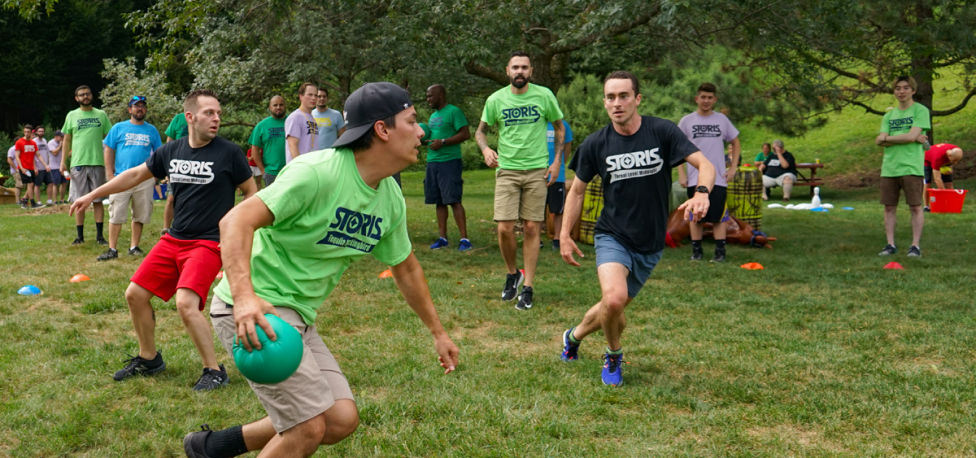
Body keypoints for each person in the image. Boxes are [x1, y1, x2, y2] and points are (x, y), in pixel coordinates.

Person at [182, 82, 459, 458]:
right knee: (305, 429)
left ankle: (212, 447)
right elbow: (235, 222)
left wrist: (438, 333)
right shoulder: (316, 173)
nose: (422, 131)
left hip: (300, 315)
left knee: (340, 419)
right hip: (256, 310)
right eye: (412, 121)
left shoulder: (389, 198)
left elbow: (406, 268)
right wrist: (245, 298)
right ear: (383, 129)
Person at [70, 89, 256, 390]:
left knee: (186, 303)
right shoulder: (173, 151)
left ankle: (214, 370)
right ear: (190, 117)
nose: (217, 118)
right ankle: (149, 358)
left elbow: (250, 192)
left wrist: (237, 234)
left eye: (218, 113)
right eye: (210, 113)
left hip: (208, 242)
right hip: (175, 239)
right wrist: (91, 194)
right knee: (135, 294)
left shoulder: (229, 152)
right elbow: (133, 176)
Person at [558, 71, 714, 386]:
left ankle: (572, 337)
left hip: (651, 243)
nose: (617, 103)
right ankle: (613, 357)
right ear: (604, 102)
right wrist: (563, 235)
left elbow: (706, 166)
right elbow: (576, 191)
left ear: (637, 98)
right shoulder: (596, 143)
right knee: (614, 300)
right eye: (611, 97)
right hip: (612, 234)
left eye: (624, 96)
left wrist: (702, 193)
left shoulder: (662, 132)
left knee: (610, 309)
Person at [476, 51, 565, 310]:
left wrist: (557, 160)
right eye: (515, 67)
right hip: (507, 171)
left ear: (531, 71)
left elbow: (559, 127)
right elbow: (480, 132)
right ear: (507, 70)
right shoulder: (496, 100)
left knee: (531, 229)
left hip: (538, 170)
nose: (520, 71)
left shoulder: (544, 95)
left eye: (524, 67)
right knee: (504, 228)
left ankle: (528, 288)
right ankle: (513, 273)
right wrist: (485, 150)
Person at [677, 82, 741, 263]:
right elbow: (677, 148)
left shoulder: (722, 120)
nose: (706, 101)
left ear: (715, 100)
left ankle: (720, 252)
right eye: (703, 97)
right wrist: (681, 173)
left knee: (718, 216)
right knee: (695, 216)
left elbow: (735, 142)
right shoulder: (687, 121)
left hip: (718, 178)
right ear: (697, 99)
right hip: (694, 178)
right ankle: (697, 251)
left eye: (710, 98)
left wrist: (733, 167)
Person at [97, 95, 164, 261]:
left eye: (142, 106)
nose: (140, 109)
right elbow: (108, 150)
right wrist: (110, 174)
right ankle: (112, 249)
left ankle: (134, 246)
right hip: (121, 178)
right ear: (129, 110)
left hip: (144, 179)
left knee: (140, 215)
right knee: (116, 214)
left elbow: (159, 153)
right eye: (136, 106)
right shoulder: (119, 128)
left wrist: (155, 175)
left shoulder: (152, 130)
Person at [874, 76, 930, 257]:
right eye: (898, 88)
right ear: (894, 91)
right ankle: (890, 244)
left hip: (911, 166)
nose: (901, 91)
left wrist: (887, 138)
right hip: (890, 167)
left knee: (915, 206)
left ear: (913, 91)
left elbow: (910, 137)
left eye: (906, 88)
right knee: (889, 207)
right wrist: (905, 137)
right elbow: (879, 141)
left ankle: (915, 246)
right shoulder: (888, 116)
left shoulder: (920, 111)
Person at [61, 85, 112, 244]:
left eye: (87, 94)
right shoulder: (71, 115)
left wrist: (112, 161)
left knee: (97, 200)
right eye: (81, 95)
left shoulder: (101, 115)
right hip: (78, 163)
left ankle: (100, 236)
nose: (85, 97)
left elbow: (110, 138)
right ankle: (80, 237)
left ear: (91, 95)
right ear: (77, 98)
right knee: (79, 200)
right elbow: (67, 140)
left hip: (98, 162)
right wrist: (63, 162)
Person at [424, 84, 472, 251]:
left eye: (430, 96)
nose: (428, 99)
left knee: (454, 200)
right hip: (433, 162)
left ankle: (464, 239)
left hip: (449, 162)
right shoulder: (432, 116)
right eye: (427, 96)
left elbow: (465, 133)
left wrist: (443, 142)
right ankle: (443, 238)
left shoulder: (454, 111)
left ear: (441, 95)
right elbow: (433, 135)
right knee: (439, 201)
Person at [546, 119, 573, 250]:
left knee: (558, 209)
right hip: (537, 173)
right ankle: (537, 239)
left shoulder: (563, 125)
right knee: (536, 210)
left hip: (557, 175)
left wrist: (560, 163)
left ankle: (557, 239)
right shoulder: (536, 123)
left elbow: (567, 147)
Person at [249, 95, 287, 187]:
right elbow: (255, 150)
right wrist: (263, 170)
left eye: (281, 105)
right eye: (275, 105)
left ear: (285, 106)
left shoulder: (292, 121)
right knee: (273, 200)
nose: (278, 107)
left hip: (290, 170)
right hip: (271, 173)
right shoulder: (261, 125)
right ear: (270, 107)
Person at [162, 112, 190, 234]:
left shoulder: (203, 118)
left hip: (197, 164)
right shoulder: (179, 118)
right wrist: (168, 166)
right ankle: (166, 229)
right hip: (177, 165)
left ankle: (186, 228)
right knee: (171, 198)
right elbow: (169, 143)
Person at [922, 143, 964, 212]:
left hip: (943, 159)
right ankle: (926, 206)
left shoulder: (956, 150)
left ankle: (950, 204)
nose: (955, 163)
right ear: (949, 155)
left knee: (949, 182)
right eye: (954, 161)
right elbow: (937, 179)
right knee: (927, 182)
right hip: (927, 160)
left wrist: (950, 166)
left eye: (957, 161)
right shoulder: (937, 158)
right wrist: (944, 194)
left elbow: (952, 161)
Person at [285, 82, 318, 163]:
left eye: (315, 95)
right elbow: (292, 146)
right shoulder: (295, 117)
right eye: (310, 95)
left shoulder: (313, 118)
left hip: (313, 167)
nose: (313, 98)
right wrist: (301, 166)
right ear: (301, 97)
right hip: (299, 169)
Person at [15, 125, 42, 209]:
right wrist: (22, 168)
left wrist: (42, 165)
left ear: (31, 133)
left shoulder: (33, 143)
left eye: (28, 132)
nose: (26, 133)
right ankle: (33, 203)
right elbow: (17, 156)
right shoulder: (19, 142)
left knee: (32, 184)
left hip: (31, 167)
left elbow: (37, 155)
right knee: (30, 184)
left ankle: (24, 201)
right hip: (24, 168)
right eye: (25, 132)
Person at [32, 126, 54, 205]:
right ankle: (38, 201)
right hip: (38, 167)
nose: (41, 133)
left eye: (42, 131)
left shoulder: (44, 141)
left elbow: (47, 153)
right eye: (40, 131)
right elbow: (32, 156)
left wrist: (47, 164)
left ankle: (49, 200)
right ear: (36, 132)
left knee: (51, 183)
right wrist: (34, 167)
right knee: (37, 185)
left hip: (46, 167)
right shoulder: (33, 141)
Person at [48, 131, 68, 204]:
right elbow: (54, 153)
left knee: (65, 182)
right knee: (55, 184)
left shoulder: (63, 143)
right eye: (61, 137)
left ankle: (62, 199)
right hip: (54, 167)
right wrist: (60, 145)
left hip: (62, 166)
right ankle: (55, 200)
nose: (62, 138)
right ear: (56, 136)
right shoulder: (51, 143)